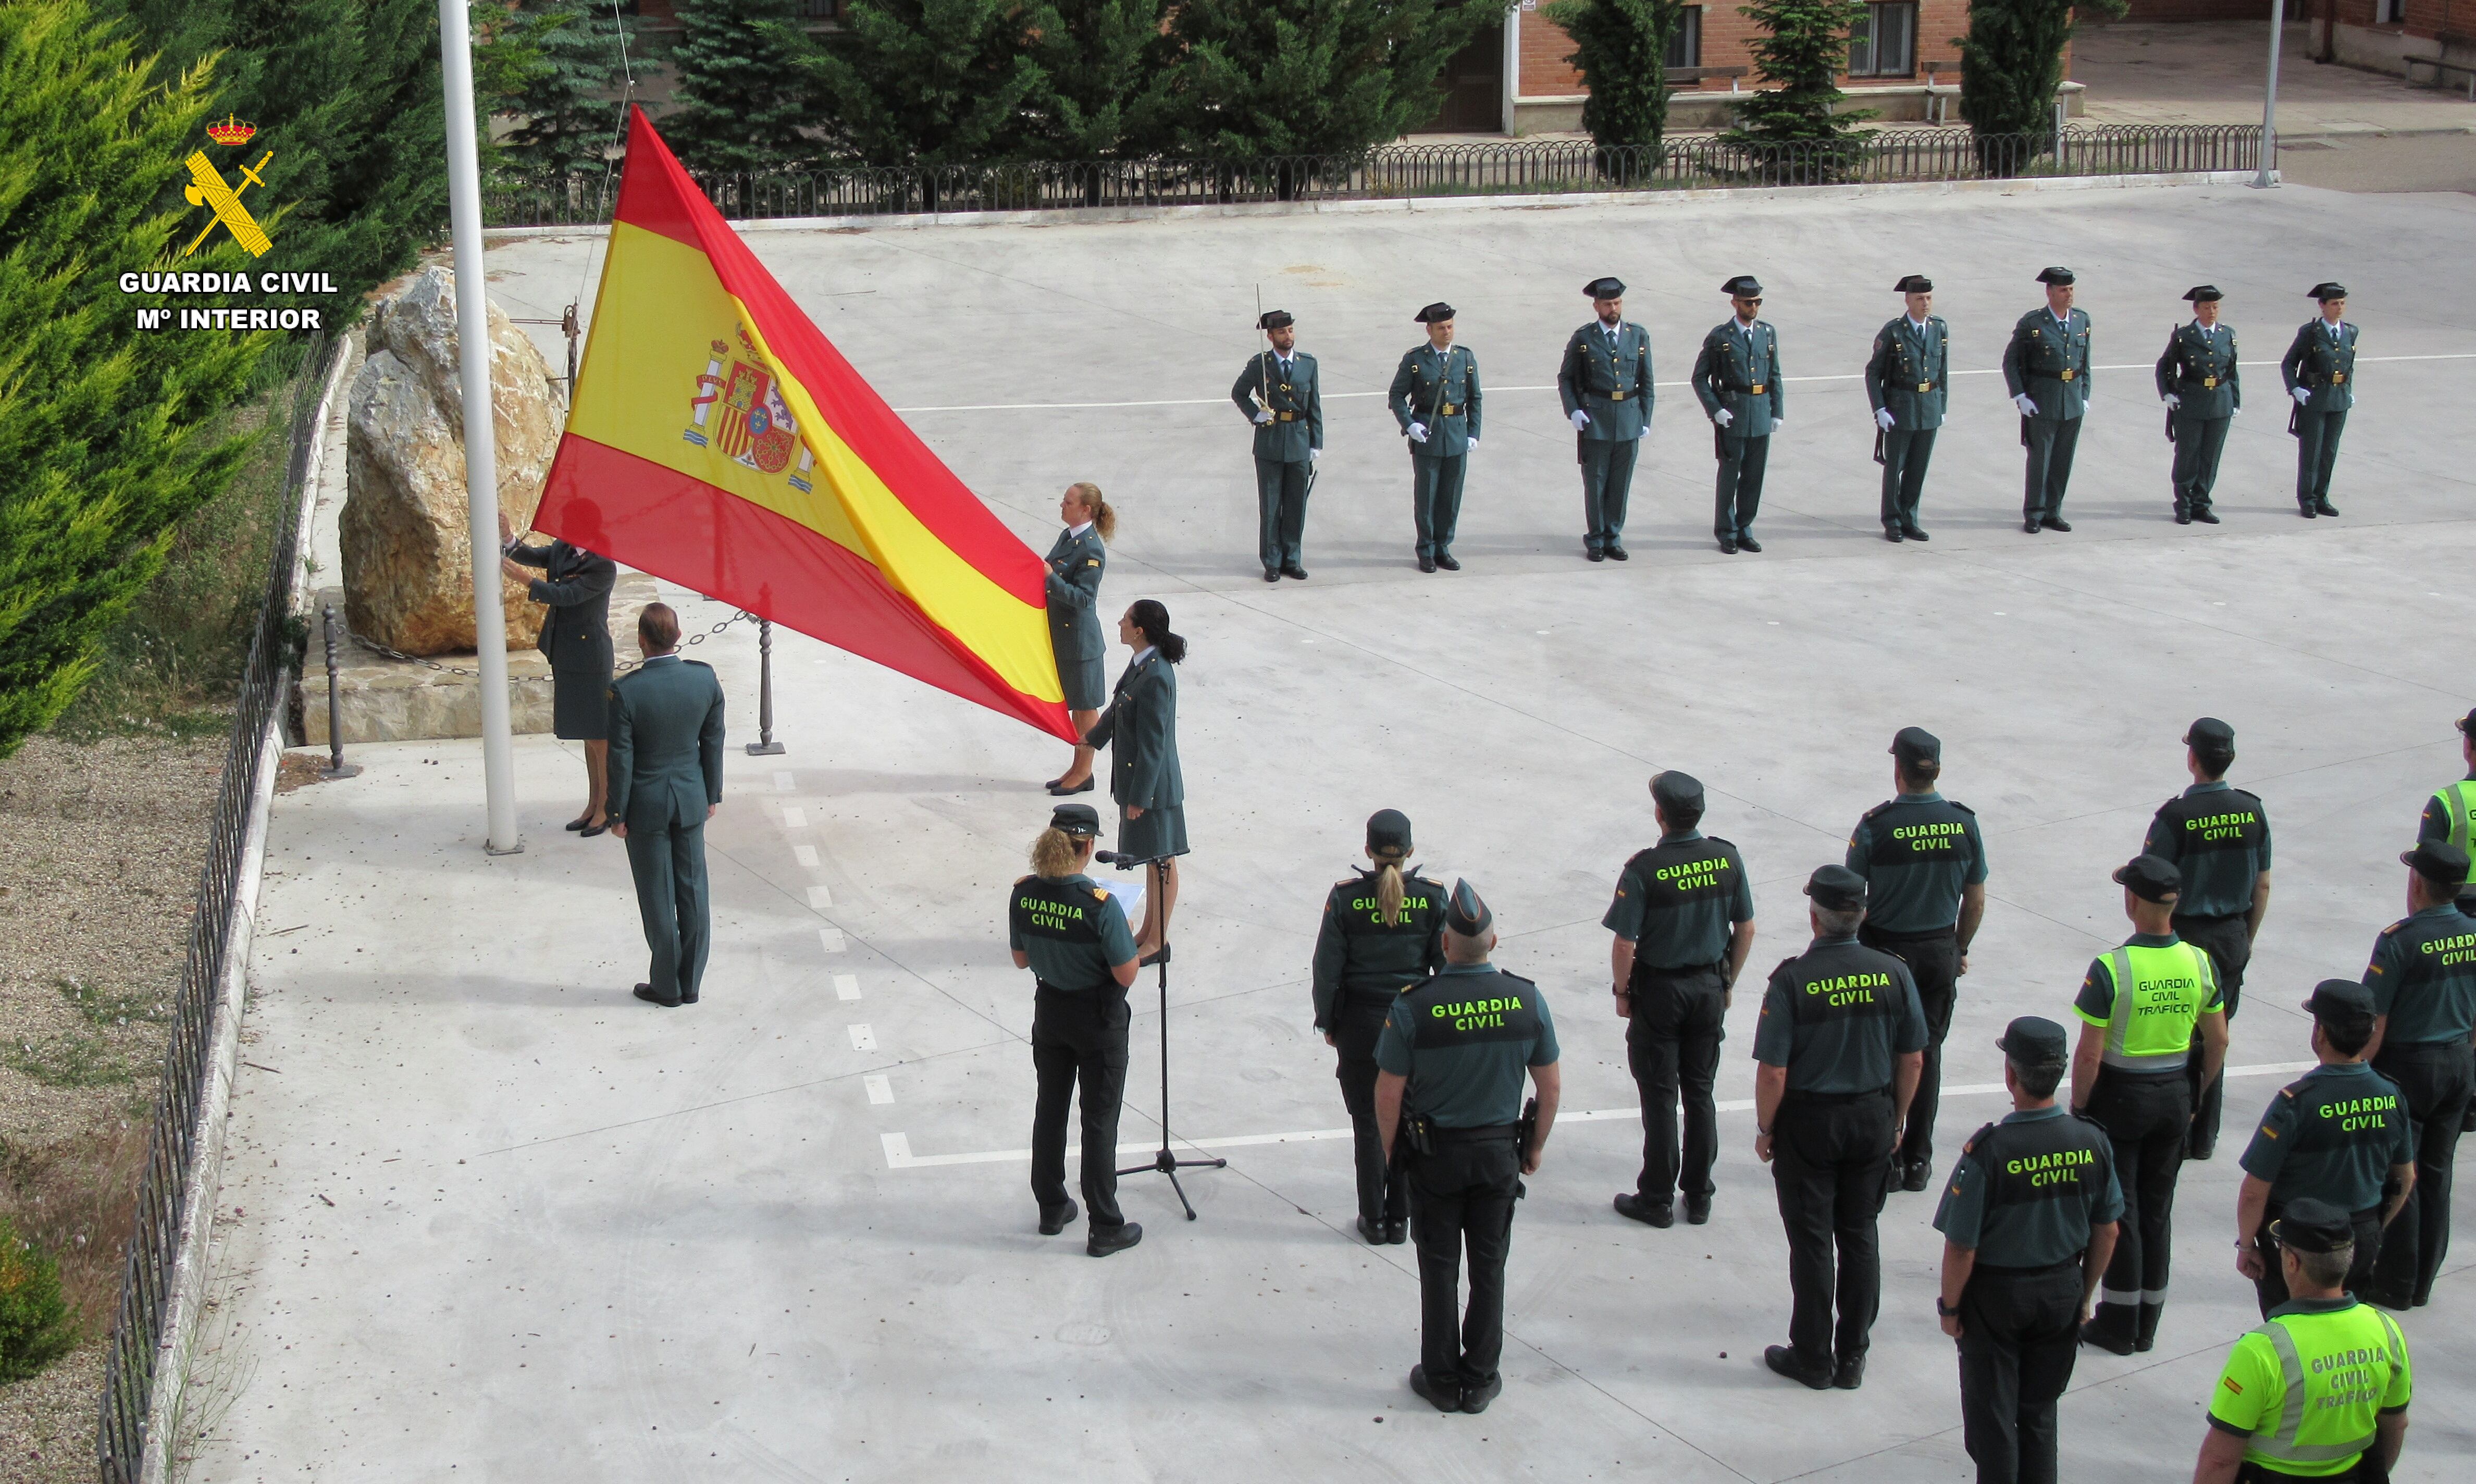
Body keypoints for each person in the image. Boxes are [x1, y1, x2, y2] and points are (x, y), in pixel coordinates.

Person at [1375, 880, 1561, 1416]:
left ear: (1446, 946)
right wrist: (1536, 1146)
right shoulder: (1527, 999)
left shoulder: (1415, 1007)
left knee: (1439, 1268)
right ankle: (1479, 1377)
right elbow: (1549, 1087)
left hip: (1434, 1157)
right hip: (1499, 1153)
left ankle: (1439, 1375)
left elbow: (1387, 1093)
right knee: (1489, 1265)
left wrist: (1394, 1154)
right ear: (1494, 942)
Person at [1754, 865, 1927, 1392]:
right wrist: (1896, 1118)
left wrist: (1767, 1127)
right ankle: (1853, 1355)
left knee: (1811, 1241)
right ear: (1864, 915)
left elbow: (1774, 1071)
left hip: (1810, 1122)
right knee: (1860, 1236)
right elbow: (1914, 1058)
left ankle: (1812, 1355)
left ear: (1814, 918)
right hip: (1873, 1117)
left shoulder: (1792, 981)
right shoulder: (1894, 973)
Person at [1934, 1017, 2122, 1484]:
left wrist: (1950, 1307)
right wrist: (2082, 1296)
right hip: (2061, 1289)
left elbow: (1961, 1246)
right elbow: (2109, 1230)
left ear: (2010, 1075)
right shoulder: (2092, 1142)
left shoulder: (1991, 1151)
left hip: (1997, 1298)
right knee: (2039, 1416)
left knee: (1994, 1425)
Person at [2070, 855, 2228, 1355]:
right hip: (2175, 1095)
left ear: (2132, 901)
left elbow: (2090, 1052)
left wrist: (2079, 1107)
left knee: (2123, 1210)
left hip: (2121, 1099)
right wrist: (2196, 1096)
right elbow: (2219, 1040)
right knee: (2158, 1210)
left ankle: (2118, 1321)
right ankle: (2147, 1325)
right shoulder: (2200, 962)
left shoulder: (2113, 968)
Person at [1605, 771, 1755, 1228]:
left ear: (1660, 814)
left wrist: (1622, 991)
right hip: (1708, 989)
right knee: (1700, 1093)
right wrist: (1727, 980)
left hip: (1661, 993)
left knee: (1659, 1096)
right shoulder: (1727, 859)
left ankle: (1656, 1197)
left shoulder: (1645, 869)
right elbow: (1745, 928)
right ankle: (1699, 1193)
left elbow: (1625, 944)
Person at [1847, 726, 1988, 1193]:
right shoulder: (1964, 824)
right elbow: (1976, 899)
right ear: (1938, 771)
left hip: (1887, 952)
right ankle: (1918, 1161)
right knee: (1927, 1052)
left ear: (1898, 770)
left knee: (1885, 1055)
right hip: (1938, 952)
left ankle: (1883, 1157)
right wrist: (1959, 948)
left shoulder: (1876, 826)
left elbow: (1851, 899)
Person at [2190, 1199, 2412, 1484]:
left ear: (2292, 1262)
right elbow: (2396, 1424)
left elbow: (2221, 1459)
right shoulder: (2385, 1330)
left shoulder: (2263, 1349)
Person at [1009, 802, 1145, 1257]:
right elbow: (1126, 974)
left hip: (1050, 1012)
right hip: (1098, 1019)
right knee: (1099, 1121)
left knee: (1050, 1109)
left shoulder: (1024, 894)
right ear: (1088, 848)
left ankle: (1052, 1206)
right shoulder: (1100, 907)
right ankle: (1105, 1224)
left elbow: (1021, 959)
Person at [2234, 980, 2414, 1315]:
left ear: (2321, 1034)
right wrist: (2372, 1231)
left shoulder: (2296, 1103)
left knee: (2290, 1332)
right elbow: (2405, 1178)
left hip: (2300, 1244)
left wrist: (2246, 1247)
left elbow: (2254, 1193)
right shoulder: (2392, 1095)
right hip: (2360, 1235)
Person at [1311, 809, 1448, 1244]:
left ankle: (1372, 1218)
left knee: (1368, 1125)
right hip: (1415, 1026)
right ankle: (1401, 1218)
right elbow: (1445, 969)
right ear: (1410, 853)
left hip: (1361, 1027)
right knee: (1409, 1121)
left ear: (1367, 851)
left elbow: (1327, 971)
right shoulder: (1430, 898)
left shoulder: (1345, 899)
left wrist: (1330, 1022)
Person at [2143, 718, 2272, 1160]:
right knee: (2217, 1032)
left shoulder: (2175, 817)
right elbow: (2263, 885)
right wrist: (2246, 938)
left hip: (2186, 935)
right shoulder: (2253, 811)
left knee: (2176, 1032)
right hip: (2232, 933)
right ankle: (2204, 1135)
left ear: (2192, 758)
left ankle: (2176, 1128)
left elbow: (2151, 882)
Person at [2363, 840, 2476, 1307]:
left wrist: (2358, 1076)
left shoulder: (2399, 941)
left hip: (2408, 1067)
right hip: (2458, 1062)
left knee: (2399, 1175)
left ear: (2417, 883)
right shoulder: (2473, 933)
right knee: (2437, 1171)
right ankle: (2424, 1278)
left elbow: (2376, 1022)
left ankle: (2397, 1282)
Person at [606, 602, 726, 1008]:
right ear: (677, 637)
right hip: (691, 799)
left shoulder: (627, 691)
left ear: (642, 640)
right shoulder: (704, 679)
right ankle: (691, 982)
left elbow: (621, 760)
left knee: (658, 896)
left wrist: (617, 813)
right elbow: (713, 741)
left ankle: (666, 986)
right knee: (694, 891)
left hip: (646, 805)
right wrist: (711, 794)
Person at [501, 509, 619, 835]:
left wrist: (526, 581)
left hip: (590, 657)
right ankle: (593, 802)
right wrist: (508, 537)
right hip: (566, 652)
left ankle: (606, 807)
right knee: (587, 733)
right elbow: (531, 554)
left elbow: (568, 596)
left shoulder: (602, 565)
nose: (562, 533)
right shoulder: (563, 549)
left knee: (600, 736)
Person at [1084, 600, 1186, 960]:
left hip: (1154, 790)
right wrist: (1093, 739)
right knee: (1151, 859)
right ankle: (1149, 931)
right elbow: (1120, 707)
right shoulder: (1142, 664)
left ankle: (1159, 941)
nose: (1120, 623)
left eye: (1126, 620)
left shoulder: (1157, 675)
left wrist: (1140, 797)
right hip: (1141, 785)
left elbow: (1154, 745)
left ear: (1139, 629)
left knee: (1163, 860)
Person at [1556, 276, 1653, 562]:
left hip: (1628, 417)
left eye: (1617, 303)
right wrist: (1573, 410)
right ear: (1596, 306)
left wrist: (1645, 418)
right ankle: (1596, 538)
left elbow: (1646, 380)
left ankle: (1613, 536)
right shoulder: (1584, 338)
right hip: (1596, 418)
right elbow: (1566, 378)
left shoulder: (1637, 336)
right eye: (1608, 304)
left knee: (1620, 483)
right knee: (1596, 481)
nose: (1614, 308)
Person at [1387, 303, 1483, 573]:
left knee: (1451, 496)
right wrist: (1410, 425)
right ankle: (1426, 549)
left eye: (1450, 327)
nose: (1447, 332)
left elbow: (1475, 398)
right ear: (1429, 330)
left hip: (1456, 432)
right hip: (1428, 434)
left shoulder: (1465, 358)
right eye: (1441, 328)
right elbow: (1396, 396)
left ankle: (1444, 547)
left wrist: (1473, 432)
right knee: (1427, 496)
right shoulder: (1416, 360)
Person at [1692, 274, 1785, 555]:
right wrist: (1716, 410)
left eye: (1757, 302)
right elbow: (1699, 378)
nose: (1753, 308)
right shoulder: (1721, 337)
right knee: (1730, 475)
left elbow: (1775, 374)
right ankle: (1726, 530)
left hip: (1759, 411)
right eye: (1748, 303)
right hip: (1733, 412)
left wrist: (1776, 410)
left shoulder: (1767, 333)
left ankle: (1745, 528)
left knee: (1754, 476)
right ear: (1735, 303)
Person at [1230, 310, 1321, 581]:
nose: (1288, 336)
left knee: (1296, 505)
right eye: (1282, 332)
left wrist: (1316, 441)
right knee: (1271, 505)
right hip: (1270, 439)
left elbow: (1314, 404)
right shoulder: (1260, 364)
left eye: (1291, 331)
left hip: (1299, 439)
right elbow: (1239, 392)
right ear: (1270, 337)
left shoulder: (1308, 364)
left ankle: (1292, 558)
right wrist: (1255, 415)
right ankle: (1271, 560)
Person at [2002, 267, 2093, 536]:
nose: (2069, 295)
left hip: (2072, 402)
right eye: (2064, 290)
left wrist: (2085, 394)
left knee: (2063, 460)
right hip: (2042, 401)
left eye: (2072, 290)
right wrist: (2020, 396)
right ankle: (2034, 512)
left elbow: (2085, 362)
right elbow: (2011, 362)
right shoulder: (2033, 324)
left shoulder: (2082, 321)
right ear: (2050, 292)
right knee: (2040, 460)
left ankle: (2053, 511)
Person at [1863, 274, 1950, 542]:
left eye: (1929, 298)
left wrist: (1942, 406)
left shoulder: (1939, 328)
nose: (1926, 304)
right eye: (1920, 299)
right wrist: (1880, 410)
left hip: (1929, 407)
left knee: (1918, 468)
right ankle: (1892, 520)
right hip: (1901, 408)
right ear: (1907, 300)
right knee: (1895, 468)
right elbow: (1872, 372)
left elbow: (1943, 370)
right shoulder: (1894, 332)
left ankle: (1910, 518)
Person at [1042, 482, 1115, 797]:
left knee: (1086, 710)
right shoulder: (1069, 537)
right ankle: (1076, 767)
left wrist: (1050, 579)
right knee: (1077, 709)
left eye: (1068, 502)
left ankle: (1085, 772)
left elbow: (1084, 598)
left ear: (1086, 509)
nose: (1062, 505)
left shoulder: (1091, 550)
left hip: (1081, 644)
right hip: (1065, 640)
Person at [2155, 286, 2242, 526]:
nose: (2212, 312)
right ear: (2196, 309)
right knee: (2188, 455)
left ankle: (2202, 503)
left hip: (2220, 402)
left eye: (2215, 307)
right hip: (2191, 401)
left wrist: (2235, 400)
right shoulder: (2184, 336)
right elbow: (2164, 367)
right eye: (2206, 307)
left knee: (2210, 456)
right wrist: (2168, 394)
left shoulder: (2228, 334)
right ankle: (2183, 504)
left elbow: (2232, 371)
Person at [2280, 282, 2357, 520]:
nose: (2340, 308)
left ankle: (2322, 496)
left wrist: (2348, 390)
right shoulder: (2310, 333)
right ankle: (2308, 499)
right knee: (2311, 451)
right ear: (2322, 306)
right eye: (2335, 304)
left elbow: (2349, 365)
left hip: (2339, 399)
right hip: (2314, 398)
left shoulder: (2350, 332)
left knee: (2329, 452)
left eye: (2343, 303)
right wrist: (2296, 389)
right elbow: (2289, 363)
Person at [2411, 708, 2476, 914]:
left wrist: (2418, 929)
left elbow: (2421, 873)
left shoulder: (2448, 801)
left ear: (2468, 746)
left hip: (2457, 923)